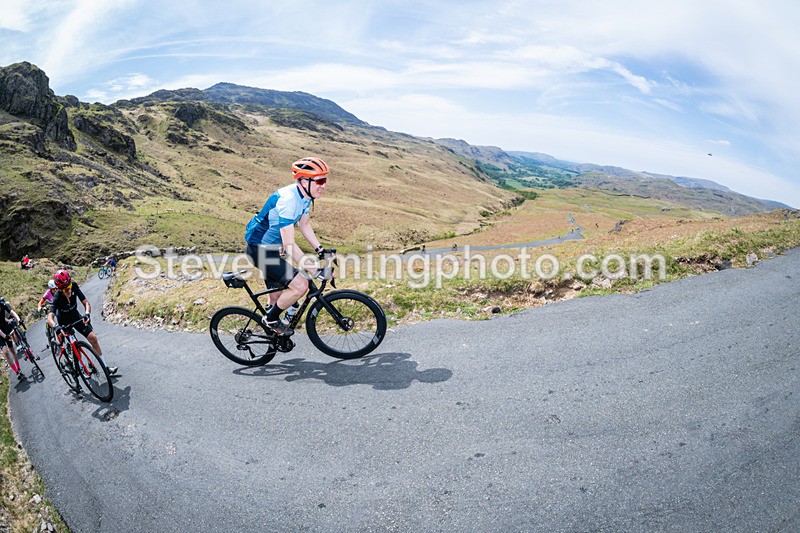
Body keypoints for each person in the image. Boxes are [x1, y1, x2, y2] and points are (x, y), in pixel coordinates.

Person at [244, 156, 330, 335]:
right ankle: (270, 320)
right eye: (320, 181)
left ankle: (272, 339)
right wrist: (314, 270)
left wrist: (320, 249)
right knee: (301, 285)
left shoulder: (305, 196)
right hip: (259, 250)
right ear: (304, 181)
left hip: (273, 249)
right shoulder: (288, 200)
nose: (323, 185)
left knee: (276, 299)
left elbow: (304, 225)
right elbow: (289, 244)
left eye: (325, 180)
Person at [47, 269, 117, 375]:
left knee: (93, 338)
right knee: (75, 347)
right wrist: (56, 326)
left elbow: (86, 303)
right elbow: (50, 318)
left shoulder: (74, 286)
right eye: (65, 289)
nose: (69, 290)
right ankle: (80, 368)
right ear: (59, 289)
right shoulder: (57, 296)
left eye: (69, 286)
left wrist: (87, 314)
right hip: (64, 323)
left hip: (76, 316)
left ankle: (105, 368)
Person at [0, 297, 24, 380]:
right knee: (5, 352)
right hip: (0, 333)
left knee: (12, 351)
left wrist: (19, 319)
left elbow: (12, 312)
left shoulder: (2, 305)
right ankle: (16, 372)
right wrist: (5, 336)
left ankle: (18, 369)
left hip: (5, 328)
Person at [38, 280, 58, 344]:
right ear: (50, 289)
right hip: (51, 308)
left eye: (56, 288)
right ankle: (48, 330)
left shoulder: (58, 291)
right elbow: (40, 302)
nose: (55, 290)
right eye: (53, 289)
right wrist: (39, 307)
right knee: (48, 318)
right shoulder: (48, 293)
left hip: (58, 307)